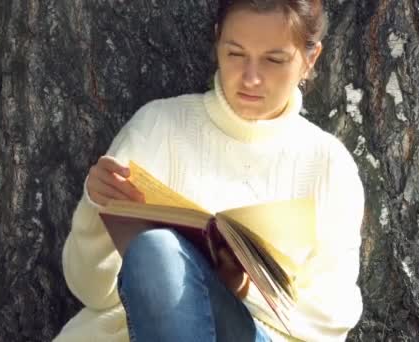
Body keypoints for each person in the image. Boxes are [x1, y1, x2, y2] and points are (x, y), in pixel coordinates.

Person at [54, 0, 364, 341]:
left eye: (274, 60)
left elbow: (333, 319)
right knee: (157, 250)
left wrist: (244, 287)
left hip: (260, 335)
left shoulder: (328, 165)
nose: (251, 77)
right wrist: (97, 209)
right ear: (217, 41)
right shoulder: (160, 127)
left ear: (310, 59)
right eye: (235, 54)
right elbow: (90, 290)